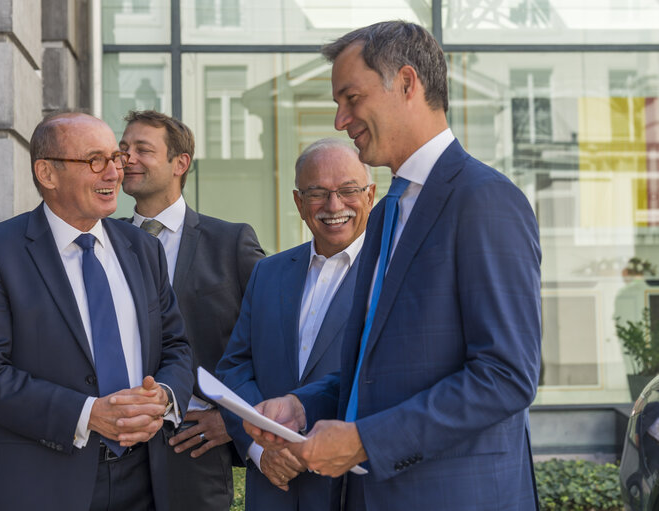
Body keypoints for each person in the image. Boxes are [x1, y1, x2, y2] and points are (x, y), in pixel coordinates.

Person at [244, 20, 542, 510]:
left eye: (351, 98)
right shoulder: (385, 212)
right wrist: (302, 404)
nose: (341, 120)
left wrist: (363, 441)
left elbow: (505, 376)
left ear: (407, 83)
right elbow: (373, 369)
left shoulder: (485, 200)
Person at [0, 112, 194, 511]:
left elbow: (176, 346)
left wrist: (163, 399)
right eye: (94, 160)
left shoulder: (143, 248)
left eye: (115, 159)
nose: (114, 173)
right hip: (45, 482)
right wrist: (88, 414)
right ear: (47, 173)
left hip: (147, 479)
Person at [216, 138, 375, 511]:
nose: (334, 206)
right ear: (298, 202)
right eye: (317, 193)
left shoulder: (391, 275)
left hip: (353, 491)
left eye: (348, 191)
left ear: (370, 195)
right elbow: (235, 367)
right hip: (274, 490)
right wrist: (261, 448)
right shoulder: (268, 272)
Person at [119, 110, 265, 510]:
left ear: (180, 163)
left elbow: (273, 337)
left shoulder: (230, 242)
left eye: (142, 149)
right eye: (123, 149)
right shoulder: (101, 243)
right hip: (114, 454)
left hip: (195, 452)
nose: (126, 158)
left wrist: (234, 420)